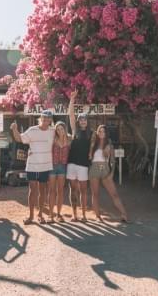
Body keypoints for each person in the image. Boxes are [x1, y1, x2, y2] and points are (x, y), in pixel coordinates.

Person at [10, 110, 55, 225]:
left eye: (48, 119)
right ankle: (30, 216)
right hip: (32, 166)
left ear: (50, 120)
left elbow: (64, 137)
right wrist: (14, 129)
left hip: (45, 166)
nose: (46, 120)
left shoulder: (53, 131)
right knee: (32, 191)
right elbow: (19, 138)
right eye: (44, 118)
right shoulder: (32, 130)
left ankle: (40, 215)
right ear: (40, 118)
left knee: (42, 191)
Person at [89, 124, 128, 223]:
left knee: (114, 194)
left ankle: (124, 214)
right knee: (95, 194)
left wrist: (111, 173)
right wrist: (91, 148)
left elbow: (113, 161)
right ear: (97, 133)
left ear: (106, 133)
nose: (102, 133)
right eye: (100, 131)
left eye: (104, 131)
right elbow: (89, 157)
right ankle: (98, 216)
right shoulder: (94, 143)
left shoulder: (109, 144)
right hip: (94, 169)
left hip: (105, 169)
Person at [66, 90, 90, 222]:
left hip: (84, 165)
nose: (82, 121)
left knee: (84, 191)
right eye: (81, 119)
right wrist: (72, 99)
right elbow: (70, 115)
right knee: (73, 189)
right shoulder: (75, 130)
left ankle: (84, 215)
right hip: (72, 164)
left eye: (84, 119)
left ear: (87, 121)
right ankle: (74, 215)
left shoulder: (91, 133)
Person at [48, 119, 72, 223]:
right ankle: (50, 215)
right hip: (52, 166)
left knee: (61, 191)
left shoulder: (69, 138)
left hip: (63, 166)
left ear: (65, 129)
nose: (60, 131)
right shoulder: (53, 139)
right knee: (52, 190)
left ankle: (58, 214)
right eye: (57, 129)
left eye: (61, 129)